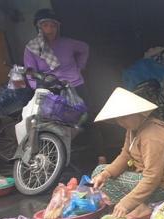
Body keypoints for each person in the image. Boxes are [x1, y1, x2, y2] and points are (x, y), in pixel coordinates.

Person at [24, 8, 105, 164]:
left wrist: (80, 67)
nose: (49, 29)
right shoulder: (32, 48)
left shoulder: (68, 43)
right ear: (39, 28)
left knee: (88, 119)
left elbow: (85, 48)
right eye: (45, 25)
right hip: (51, 90)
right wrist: (38, 88)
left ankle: (101, 156)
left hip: (75, 85)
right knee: (51, 124)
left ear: (58, 27)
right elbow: (30, 72)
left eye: (53, 25)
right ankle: (57, 161)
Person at [91, 88, 164, 219]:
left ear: (138, 113)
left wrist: (126, 204)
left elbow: (152, 177)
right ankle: (141, 205)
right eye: (118, 119)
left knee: (106, 180)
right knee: (100, 172)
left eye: (124, 117)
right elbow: (125, 155)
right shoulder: (133, 130)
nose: (121, 122)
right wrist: (105, 174)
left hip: (163, 187)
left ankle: (142, 206)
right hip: (145, 178)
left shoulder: (152, 135)